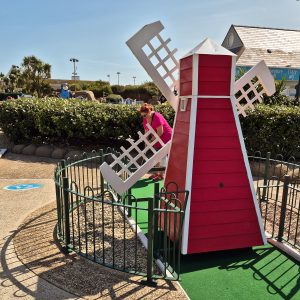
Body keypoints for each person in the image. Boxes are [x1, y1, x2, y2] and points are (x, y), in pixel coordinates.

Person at [139, 103, 172, 181]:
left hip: (166, 137)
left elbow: (161, 132)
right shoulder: (145, 119)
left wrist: (150, 141)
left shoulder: (157, 116)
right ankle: (156, 173)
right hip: (156, 138)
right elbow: (146, 132)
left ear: (149, 111)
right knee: (156, 155)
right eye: (142, 115)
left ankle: (161, 175)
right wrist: (146, 143)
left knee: (162, 156)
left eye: (145, 115)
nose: (144, 117)